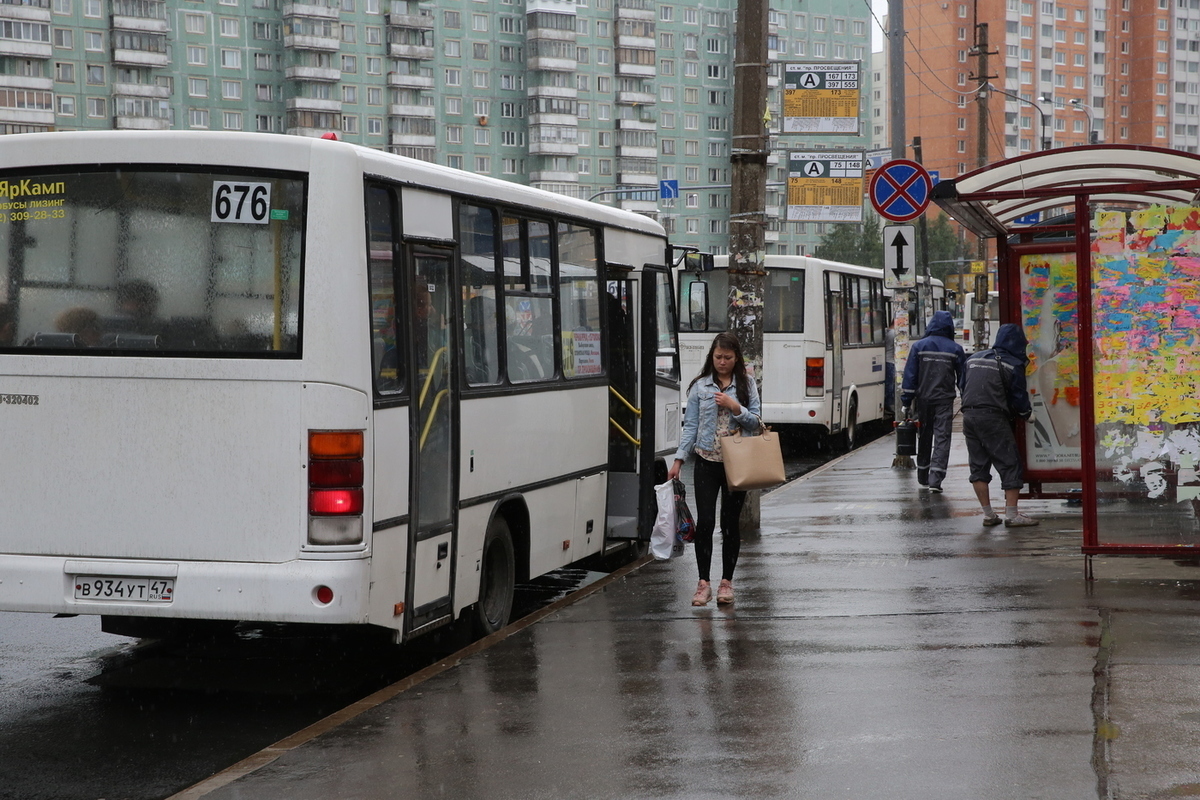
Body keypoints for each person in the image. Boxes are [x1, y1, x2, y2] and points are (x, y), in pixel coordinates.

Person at [667, 332, 761, 607]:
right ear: (712, 357)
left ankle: (726, 582)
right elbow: (691, 427)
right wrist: (678, 460)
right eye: (718, 357)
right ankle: (703, 582)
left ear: (736, 358)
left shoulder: (747, 385)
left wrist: (735, 407)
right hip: (706, 462)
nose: (722, 362)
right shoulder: (700, 387)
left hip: (737, 465)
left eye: (727, 358)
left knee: (730, 525)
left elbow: (756, 422)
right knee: (705, 522)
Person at [960, 322, 1038, 527]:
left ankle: (988, 515)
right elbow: (1019, 397)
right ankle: (1012, 516)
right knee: (1009, 462)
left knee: (978, 465)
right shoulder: (1012, 363)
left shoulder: (973, 359)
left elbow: (963, 385)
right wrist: (1026, 414)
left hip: (969, 416)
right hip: (992, 417)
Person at [901, 309, 966, 493]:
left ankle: (923, 475)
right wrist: (966, 400)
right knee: (942, 438)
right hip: (945, 400)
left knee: (925, 435)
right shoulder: (955, 349)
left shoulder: (919, 347)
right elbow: (963, 379)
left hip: (924, 400)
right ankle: (935, 479)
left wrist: (906, 401)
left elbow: (910, 376)